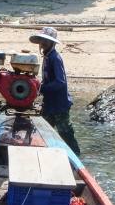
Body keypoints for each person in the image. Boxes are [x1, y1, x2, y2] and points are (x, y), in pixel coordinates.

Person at [29, 27, 81, 156]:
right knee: (43, 132)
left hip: (59, 105)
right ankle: (43, 155)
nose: (42, 43)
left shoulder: (55, 58)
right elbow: (48, 80)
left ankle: (77, 160)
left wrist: (41, 88)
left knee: (66, 134)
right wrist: (39, 87)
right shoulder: (47, 57)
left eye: (45, 41)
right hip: (49, 104)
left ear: (52, 43)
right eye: (42, 40)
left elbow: (60, 82)